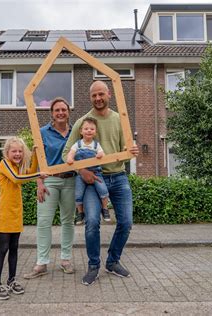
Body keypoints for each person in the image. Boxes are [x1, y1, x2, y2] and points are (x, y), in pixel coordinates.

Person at [63, 80, 139, 286]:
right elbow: (66, 153)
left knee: (126, 223)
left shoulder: (120, 119)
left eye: (101, 94)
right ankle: (94, 265)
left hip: (119, 176)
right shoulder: (82, 122)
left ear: (109, 95)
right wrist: (81, 170)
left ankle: (112, 262)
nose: (97, 98)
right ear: (90, 97)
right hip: (92, 179)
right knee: (92, 223)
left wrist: (132, 151)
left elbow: (127, 149)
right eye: (94, 95)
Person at [23, 97, 77, 279]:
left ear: (68, 112)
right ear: (52, 114)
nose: (61, 113)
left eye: (64, 109)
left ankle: (66, 260)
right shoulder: (42, 132)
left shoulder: (75, 133)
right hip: (49, 182)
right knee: (44, 222)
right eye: (57, 110)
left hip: (71, 181)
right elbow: (36, 159)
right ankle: (42, 263)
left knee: (68, 221)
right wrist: (39, 182)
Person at [0, 137, 46, 300]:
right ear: (7, 152)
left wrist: (34, 154)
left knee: (14, 248)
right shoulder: (4, 164)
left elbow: (29, 171)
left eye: (20, 151)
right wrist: (39, 175)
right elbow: (17, 179)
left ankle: (11, 280)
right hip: (5, 214)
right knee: (4, 248)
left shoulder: (17, 166)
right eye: (14, 151)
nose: (18, 154)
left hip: (16, 213)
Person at [66, 117, 111, 225]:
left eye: (92, 129)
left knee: (103, 190)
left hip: (96, 173)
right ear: (81, 131)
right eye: (86, 129)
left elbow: (102, 154)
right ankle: (80, 213)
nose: (89, 131)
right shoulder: (78, 144)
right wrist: (70, 158)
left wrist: (100, 154)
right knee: (78, 193)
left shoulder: (96, 145)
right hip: (81, 174)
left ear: (95, 132)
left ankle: (105, 209)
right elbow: (71, 153)